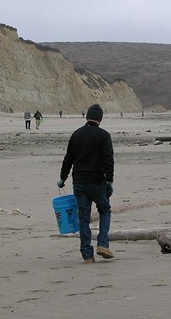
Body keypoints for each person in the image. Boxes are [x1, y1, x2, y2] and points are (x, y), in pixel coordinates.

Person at [57, 104, 114, 263]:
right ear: (100, 119)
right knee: (105, 210)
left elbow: (68, 159)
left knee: (83, 218)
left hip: (79, 182)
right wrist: (109, 180)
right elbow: (108, 160)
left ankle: (87, 254)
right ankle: (103, 244)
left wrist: (62, 178)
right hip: (97, 182)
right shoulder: (104, 136)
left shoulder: (76, 134)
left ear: (86, 117)